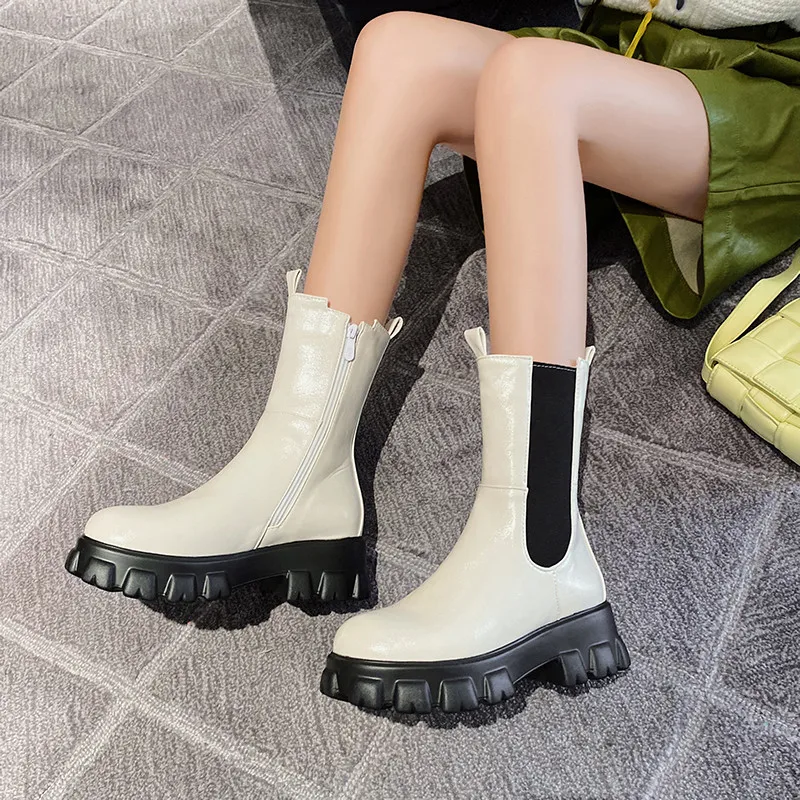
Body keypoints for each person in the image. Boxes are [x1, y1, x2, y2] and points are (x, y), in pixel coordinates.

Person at [65, 0, 800, 713]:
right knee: (398, 50)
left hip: (768, 79)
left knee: (533, 78)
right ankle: (298, 473)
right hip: (641, 48)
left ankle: (539, 552)